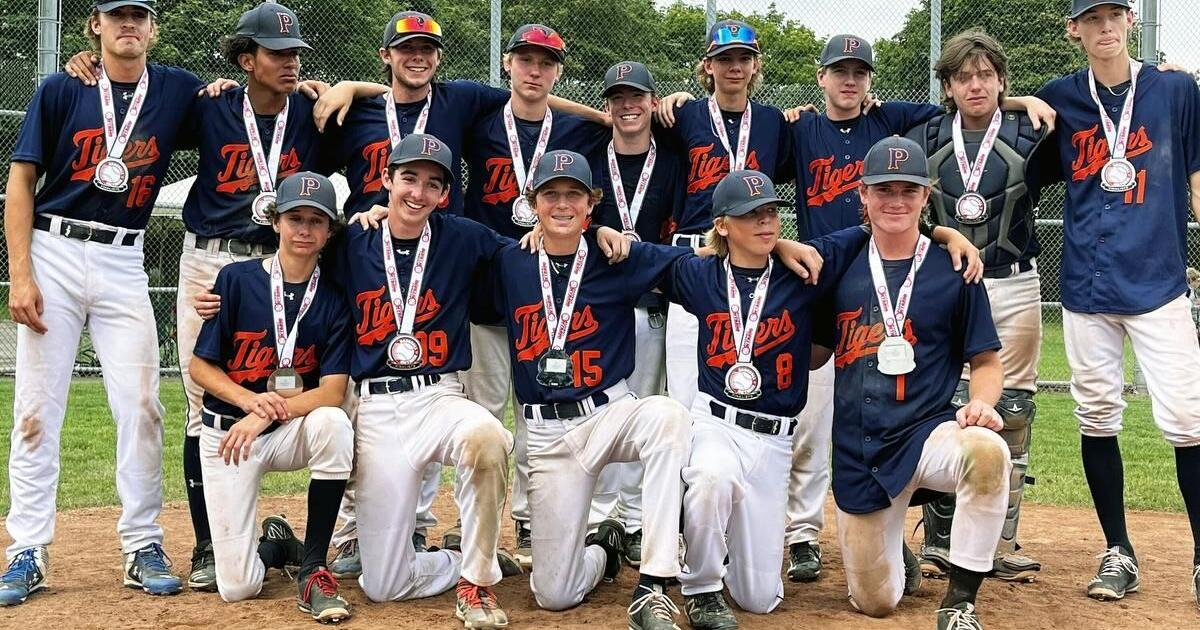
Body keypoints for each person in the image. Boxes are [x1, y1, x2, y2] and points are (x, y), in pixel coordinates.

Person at [1, 0, 206, 605]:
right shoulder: (63, 87)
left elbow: (238, 115)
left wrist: (227, 83)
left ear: (153, 28)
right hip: (54, 247)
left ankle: (142, 543)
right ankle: (27, 549)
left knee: (143, 404)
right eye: (117, 15)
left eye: (140, 16)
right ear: (95, 24)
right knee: (38, 410)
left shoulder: (176, 90)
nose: (129, 25)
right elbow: (20, 180)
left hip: (123, 257)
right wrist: (20, 274)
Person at [1034, 0, 1200, 604]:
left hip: (1158, 282)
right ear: (1072, 28)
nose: (1105, 26)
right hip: (1087, 284)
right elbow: (980, 106)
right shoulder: (1060, 97)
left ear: (1130, 20)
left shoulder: (1176, 90)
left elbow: (1196, 174)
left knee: (1187, 420)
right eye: (1091, 17)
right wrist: (1018, 103)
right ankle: (1117, 550)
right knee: (1097, 415)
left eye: (1115, 15)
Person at [819, 136, 1009, 630]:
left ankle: (960, 602)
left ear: (927, 195)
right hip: (860, 447)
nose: (896, 200)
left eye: (909, 189)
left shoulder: (953, 268)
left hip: (928, 432)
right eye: (884, 189)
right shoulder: (842, 263)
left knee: (988, 453)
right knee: (876, 603)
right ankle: (894, 548)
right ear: (863, 194)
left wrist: (983, 404)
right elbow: (817, 351)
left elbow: (986, 361)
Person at [673, 170, 869, 628]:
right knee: (709, 478)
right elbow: (631, 257)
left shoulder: (803, 268)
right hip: (717, 423)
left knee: (759, 599)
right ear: (722, 224)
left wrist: (942, 232)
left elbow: (878, 224)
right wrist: (598, 228)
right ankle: (700, 584)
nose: (765, 223)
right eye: (750, 215)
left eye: (770, 213)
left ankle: (723, 554)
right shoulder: (699, 273)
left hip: (775, 439)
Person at [908, 28, 1056, 583]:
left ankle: (1000, 540)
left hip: (1013, 279)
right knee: (943, 402)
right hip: (947, 280)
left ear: (1002, 80)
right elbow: (860, 111)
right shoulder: (923, 131)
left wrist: (1020, 102)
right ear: (947, 84)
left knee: (1010, 409)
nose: (976, 85)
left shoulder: (1031, 127)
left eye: (987, 76)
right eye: (964, 76)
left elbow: (1085, 103)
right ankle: (943, 537)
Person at [462, 23, 610, 569]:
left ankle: (529, 522)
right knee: (481, 417)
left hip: (547, 296)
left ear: (558, 72)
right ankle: (476, 529)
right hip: (484, 288)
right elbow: (407, 93)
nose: (534, 70)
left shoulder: (575, 131)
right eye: (525, 59)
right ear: (507, 64)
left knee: (539, 412)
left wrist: (597, 115)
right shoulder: (478, 117)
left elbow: (628, 124)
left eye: (546, 63)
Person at [188, 171, 353, 622]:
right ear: (276, 222)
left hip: (288, 430)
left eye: (316, 221)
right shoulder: (236, 279)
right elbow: (200, 366)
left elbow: (333, 391)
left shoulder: (335, 299)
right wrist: (248, 402)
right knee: (238, 587)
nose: (304, 230)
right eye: (295, 218)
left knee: (334, 425)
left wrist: (264, 414)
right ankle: (278, 544)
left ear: (329, 232)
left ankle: (314, 564)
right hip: (229, 437)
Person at [654, 18, 793, 425]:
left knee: (741, 380)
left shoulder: (773, 122)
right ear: (707, 66)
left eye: (744, 58)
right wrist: (669, 100)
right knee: (683, 390)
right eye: (724, 58)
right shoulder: (683, 116)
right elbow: (623, 123)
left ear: (755, 66)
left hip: (749, 260)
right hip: (697, 253)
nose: (735, 66)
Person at [586, 61, 687, 567]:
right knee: (604, 406)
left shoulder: (672, 160)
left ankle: (630, 518)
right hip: (599, 304)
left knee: (646, 404)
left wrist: (686, 96)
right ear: (607, 106)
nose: (628, 105)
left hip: (654, 301)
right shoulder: (588, 158)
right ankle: (602, 516)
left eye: (638, 96)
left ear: (653, 102)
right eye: (618, 97)